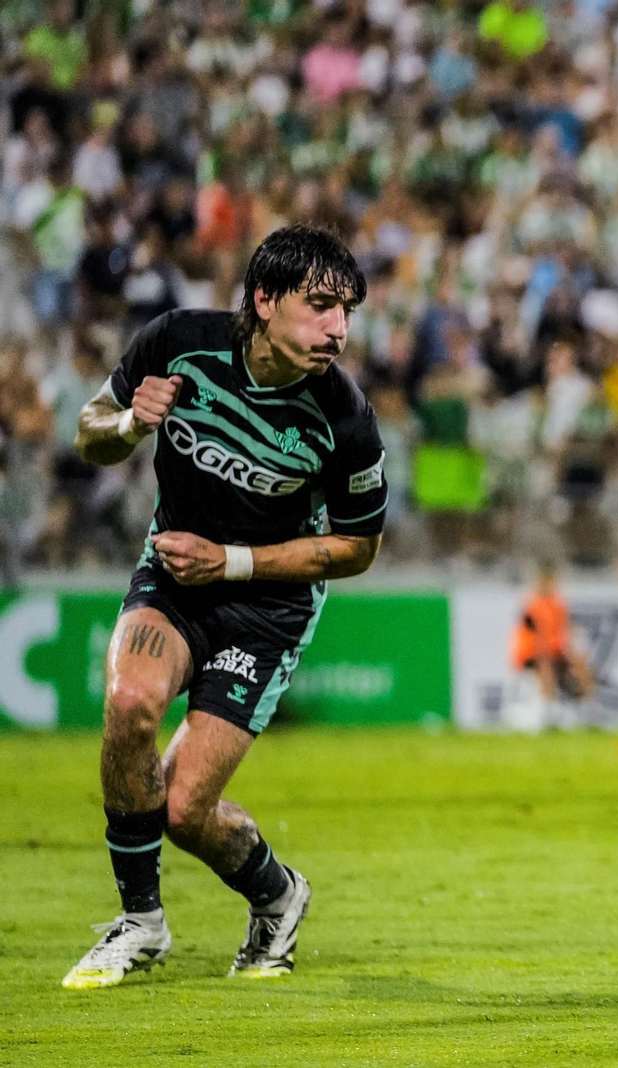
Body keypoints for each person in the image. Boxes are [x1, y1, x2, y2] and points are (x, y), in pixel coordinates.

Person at [62, 225, 386, 989]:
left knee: (184, 811)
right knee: (131, 701)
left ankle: (278, 895)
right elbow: (88, 435)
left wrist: (232, 562)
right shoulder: (176, 343)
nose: (337, 329)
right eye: (320, 307)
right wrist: (131, 426)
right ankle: (140, 923)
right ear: (264, 300)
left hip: (267, 609)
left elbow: (359, 548)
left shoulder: (343, 418)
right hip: (174, 572)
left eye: (348, 312)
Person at [507, 561, 597, 729]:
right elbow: (536, 636)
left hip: (555, 653)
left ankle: (587, 711)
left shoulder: (558, 605)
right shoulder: (531, 605)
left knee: (582, 668)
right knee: (545, 665)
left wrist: (576, 658)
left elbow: (567, 631)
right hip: (530, 655)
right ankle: (547, 710)